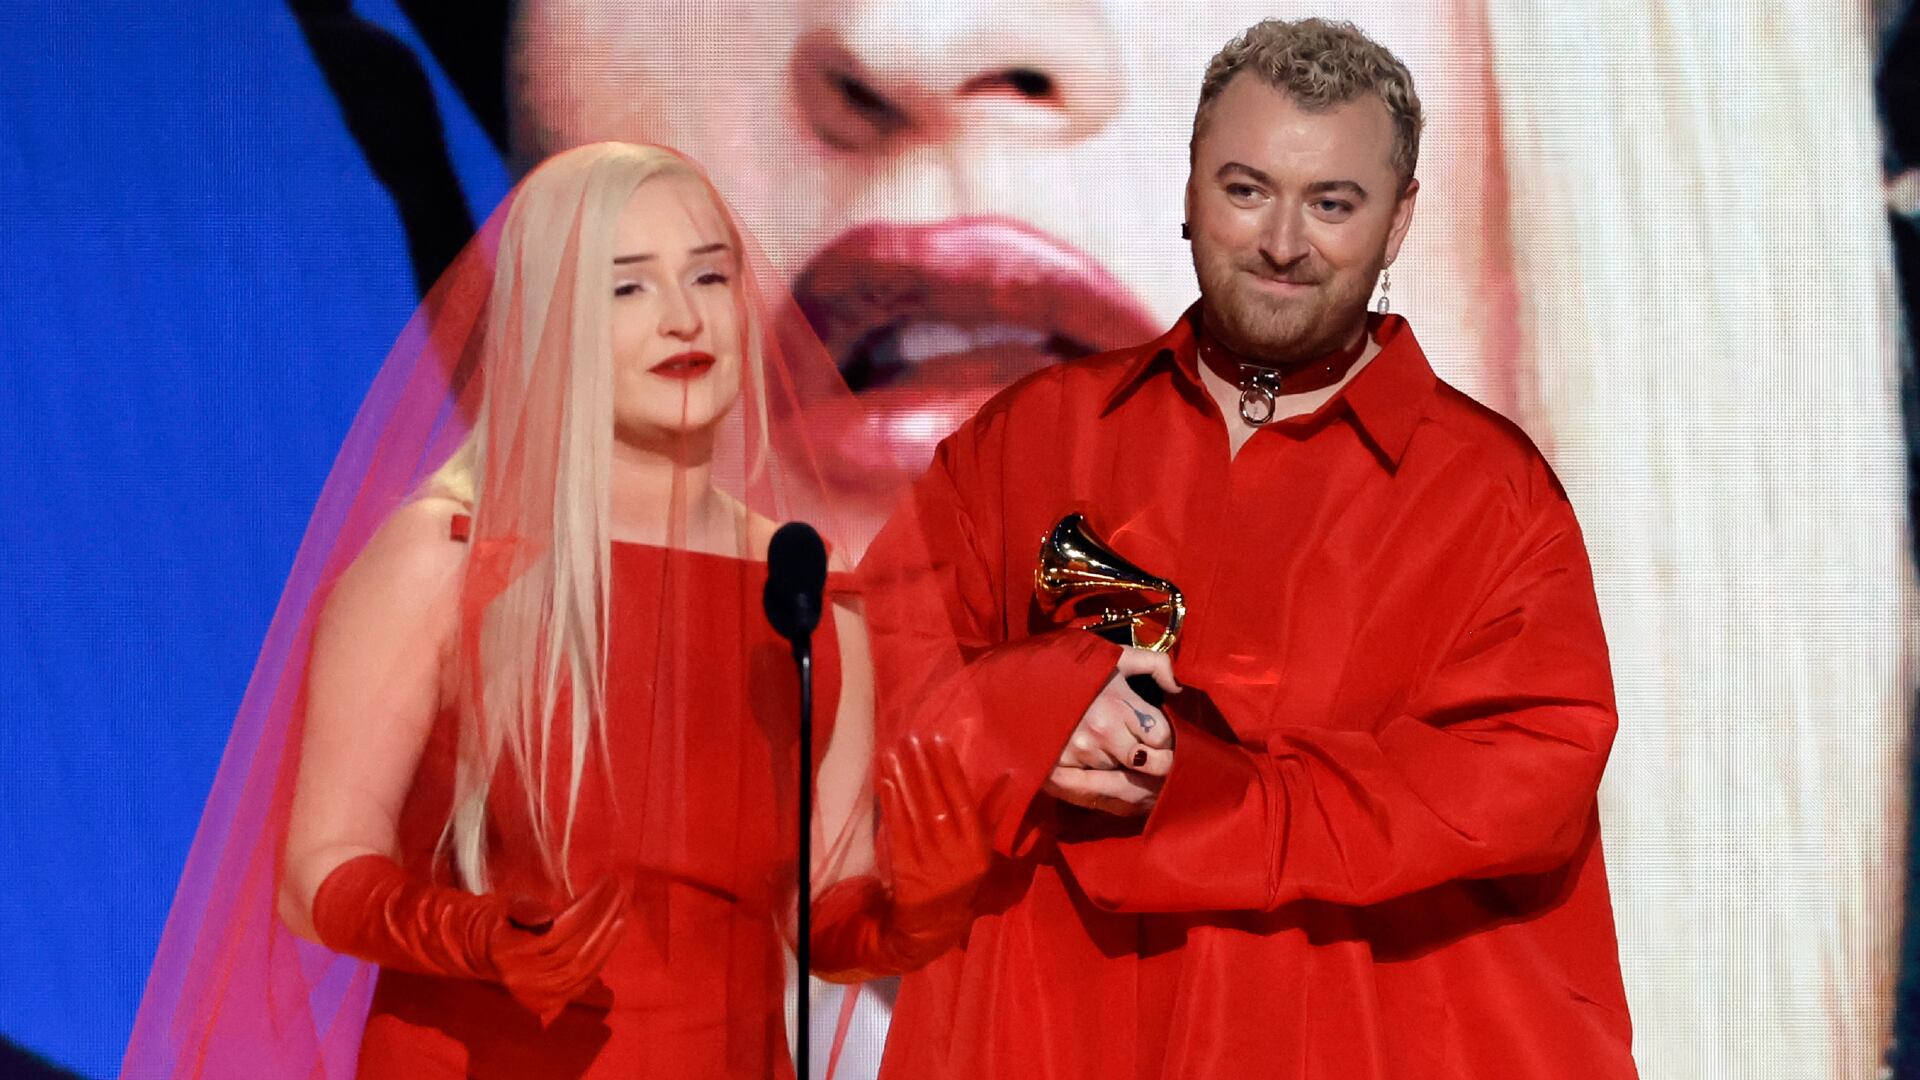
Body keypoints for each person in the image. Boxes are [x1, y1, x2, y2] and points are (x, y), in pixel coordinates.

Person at [861, 19, 1637, 1078]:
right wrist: (1027, 706)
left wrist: (1224, 798)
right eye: (1245, 189)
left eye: (1332, 203)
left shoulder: (1492, 497)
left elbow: (1528, 769)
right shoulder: (1027, 440)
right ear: (1188, 190)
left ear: (1399, 221)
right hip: (1055, 1032)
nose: (1283, 241)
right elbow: (865, 687)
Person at [122, 141, 988, 1079]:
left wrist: (917, 912)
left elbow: (818, 907)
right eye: (626, 288)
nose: (683, 318)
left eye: (709, 275)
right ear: (550, 319)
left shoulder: (809, 595)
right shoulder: (446, 561)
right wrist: (476, 934)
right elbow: (316, 870)